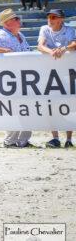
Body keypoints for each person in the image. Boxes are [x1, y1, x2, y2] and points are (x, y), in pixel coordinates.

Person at [0, 9, 32, 148]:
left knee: (26, 108)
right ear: (7, 23)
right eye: (15, 18)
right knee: (13, 109)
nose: (18, 20)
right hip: (11, 79)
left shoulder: (20, 35)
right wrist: (4, 50)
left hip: (25, 77)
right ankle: (10, 140)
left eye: (17, 18)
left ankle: (23, 140)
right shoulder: (1, 36)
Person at [36, 9, 76, 148]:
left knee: (68, 105)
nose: (50, 19)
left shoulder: (69, 30)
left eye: (53, 17)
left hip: (67, 73)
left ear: (61, 19)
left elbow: (74, 44)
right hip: (50, 73)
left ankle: (69, 139)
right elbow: (40, 46)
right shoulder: (44, 29)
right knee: (50, 105)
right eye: (48, 16)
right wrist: (52, 51)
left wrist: (63, 49)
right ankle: (55, 138)